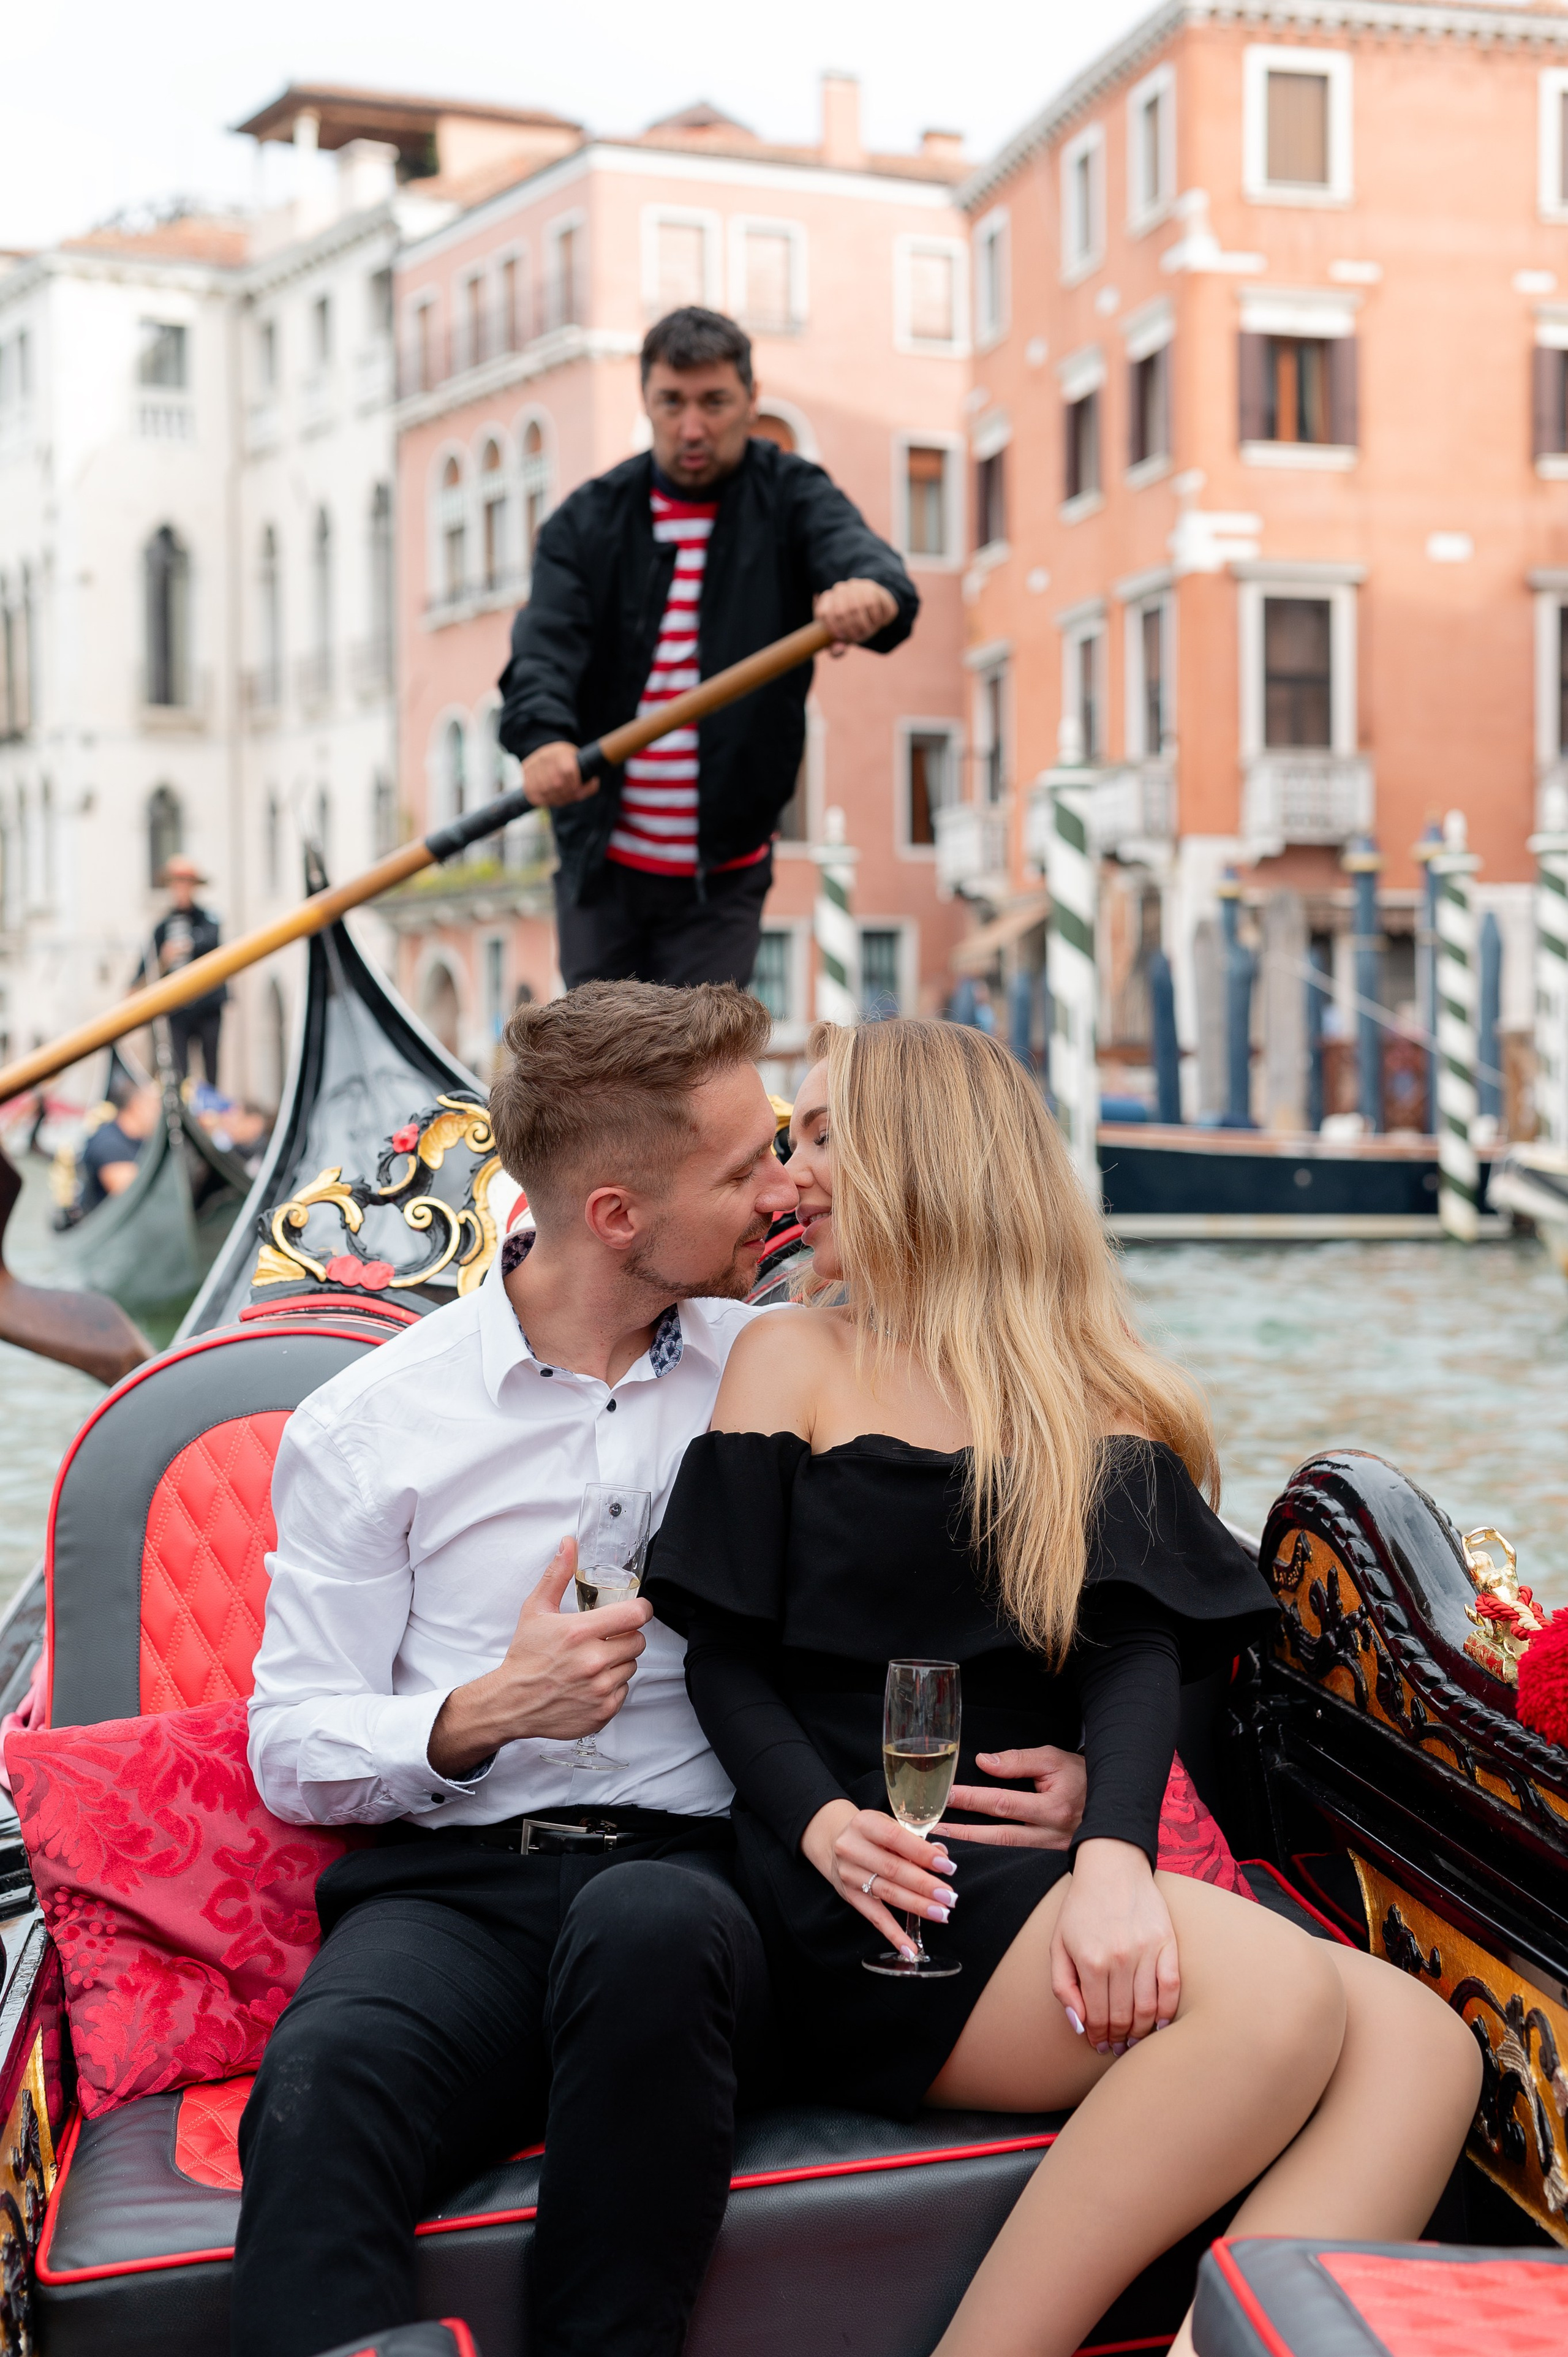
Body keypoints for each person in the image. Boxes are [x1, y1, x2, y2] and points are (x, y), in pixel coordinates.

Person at [645, 1019, 1482, 2357]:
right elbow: (721, 1653)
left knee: (1426, 2048)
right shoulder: (786, 1358)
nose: (787, 1172)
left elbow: (1129, 1655)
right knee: (1280, 2003)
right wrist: (815, 1823)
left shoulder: (1086, 1391)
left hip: (1025, 1860)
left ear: (920, 1155)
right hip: (860, 1881)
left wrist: (1111, 1853)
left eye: (816, 1135)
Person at [236, 981, 799, 2357]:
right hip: (459, 1893)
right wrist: (484, 1713)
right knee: (324, 2078)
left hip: (703, 1888)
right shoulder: (370, 1427)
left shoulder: (775, 1370)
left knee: (647, 1932)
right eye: (744, 1170)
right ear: (616, 1214)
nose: (784, 1191)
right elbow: (291, 1739)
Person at [498, 305, 918, 994]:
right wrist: (543, 739)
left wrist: (865, 588)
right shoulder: (586, 521)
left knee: (700, 1074)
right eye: (672, 403)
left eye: (714, 402)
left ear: (751, 400)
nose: (692, 427)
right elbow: (543, 650)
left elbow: (871, 566)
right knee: (595, 1080)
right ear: (647, 401)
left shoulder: (791, 496)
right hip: (602, 865)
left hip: (724, 874)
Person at [140, 854, 227, 1084]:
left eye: (185, 884)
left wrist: (185, 945)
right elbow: (147, 963)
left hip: (207, 1004)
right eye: (176, 883)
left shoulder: (209, 919)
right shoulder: (162, 927)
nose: (181, 889)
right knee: (178, 1067)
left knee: (211, 1065)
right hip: (177, 1009)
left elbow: (212, 940)